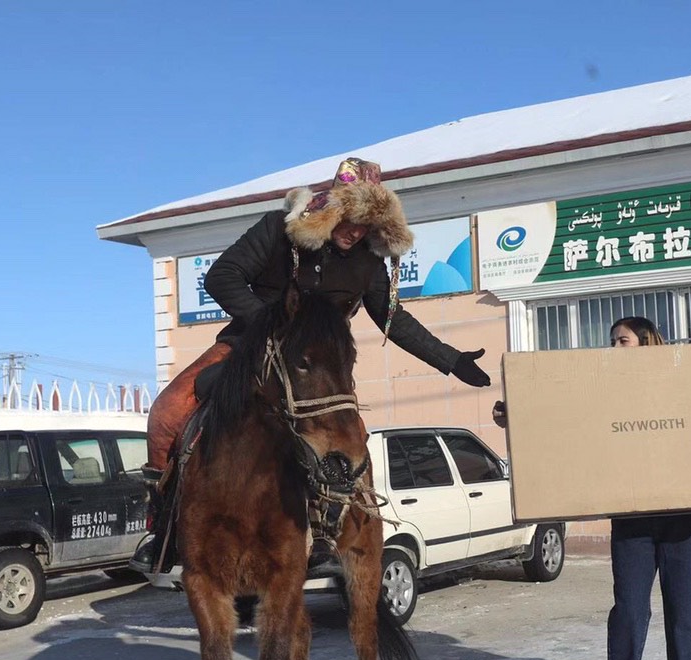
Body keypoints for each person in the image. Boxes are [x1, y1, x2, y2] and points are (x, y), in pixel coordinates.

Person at [132, 158, 492, 573]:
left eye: (366, 225)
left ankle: (329, 529)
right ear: (331, 209)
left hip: (320, 366)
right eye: (349, 219)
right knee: (166, 413)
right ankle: (163, 529)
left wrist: (452, 360)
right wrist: (272, 323)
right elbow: (222, 277)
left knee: (344, 437)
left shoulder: (369, 261)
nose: (355, 231)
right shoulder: (277, 229)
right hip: (250, 341)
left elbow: (395, 319)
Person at [493, 316, 691, 660]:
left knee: (685, 605)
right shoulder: (603, 393)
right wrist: (517, 417)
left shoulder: (678, 381)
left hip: (684, 514)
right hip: (632, 518)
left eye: (622, 340)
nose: (613, 347)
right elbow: (565, 424)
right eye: (611, 340)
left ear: (647, 342)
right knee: (629, 607)